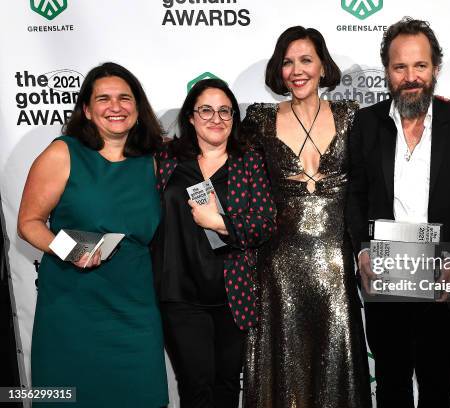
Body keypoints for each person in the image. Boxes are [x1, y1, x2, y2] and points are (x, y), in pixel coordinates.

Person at [346, 17, 450, 408]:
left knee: (439, 391)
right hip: (385, 279)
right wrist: (362, 250)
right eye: (400, 67)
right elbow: (354, 196)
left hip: (444, 282)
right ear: (387, 72)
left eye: (420, 66)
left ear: (435, 69)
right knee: (391, 388)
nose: (411, 77)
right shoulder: (365, 124)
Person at [17, 62, 168, 407]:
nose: (115, 107)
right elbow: (28, 222)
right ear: (86, 109)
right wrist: (70, 250)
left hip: (135, 309)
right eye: (103, 99)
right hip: (71, 307)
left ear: (137, 107)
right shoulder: (63, 152)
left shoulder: (156, 160)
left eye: (124, 98)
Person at [241, 26, 372, 408]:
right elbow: (226, 162)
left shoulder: (353, 116)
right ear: (278, 71)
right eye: (287, 62)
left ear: (322, 66)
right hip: (279, 267)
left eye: (305, 60)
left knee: (336, 366)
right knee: (285, 370)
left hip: (337, 264)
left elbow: (387, 154)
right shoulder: (260, 120)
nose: (297, 70)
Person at [151, 78, 276, 408]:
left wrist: (218, 223)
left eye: (225, 111)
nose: (216, 118)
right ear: (190, 117)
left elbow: (264, 224)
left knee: (225, 386)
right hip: (180, 295)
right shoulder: (166, 160)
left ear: (234, 117)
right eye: (205, 110)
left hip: (232, 296)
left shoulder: (248, 161)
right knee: (196, 388)